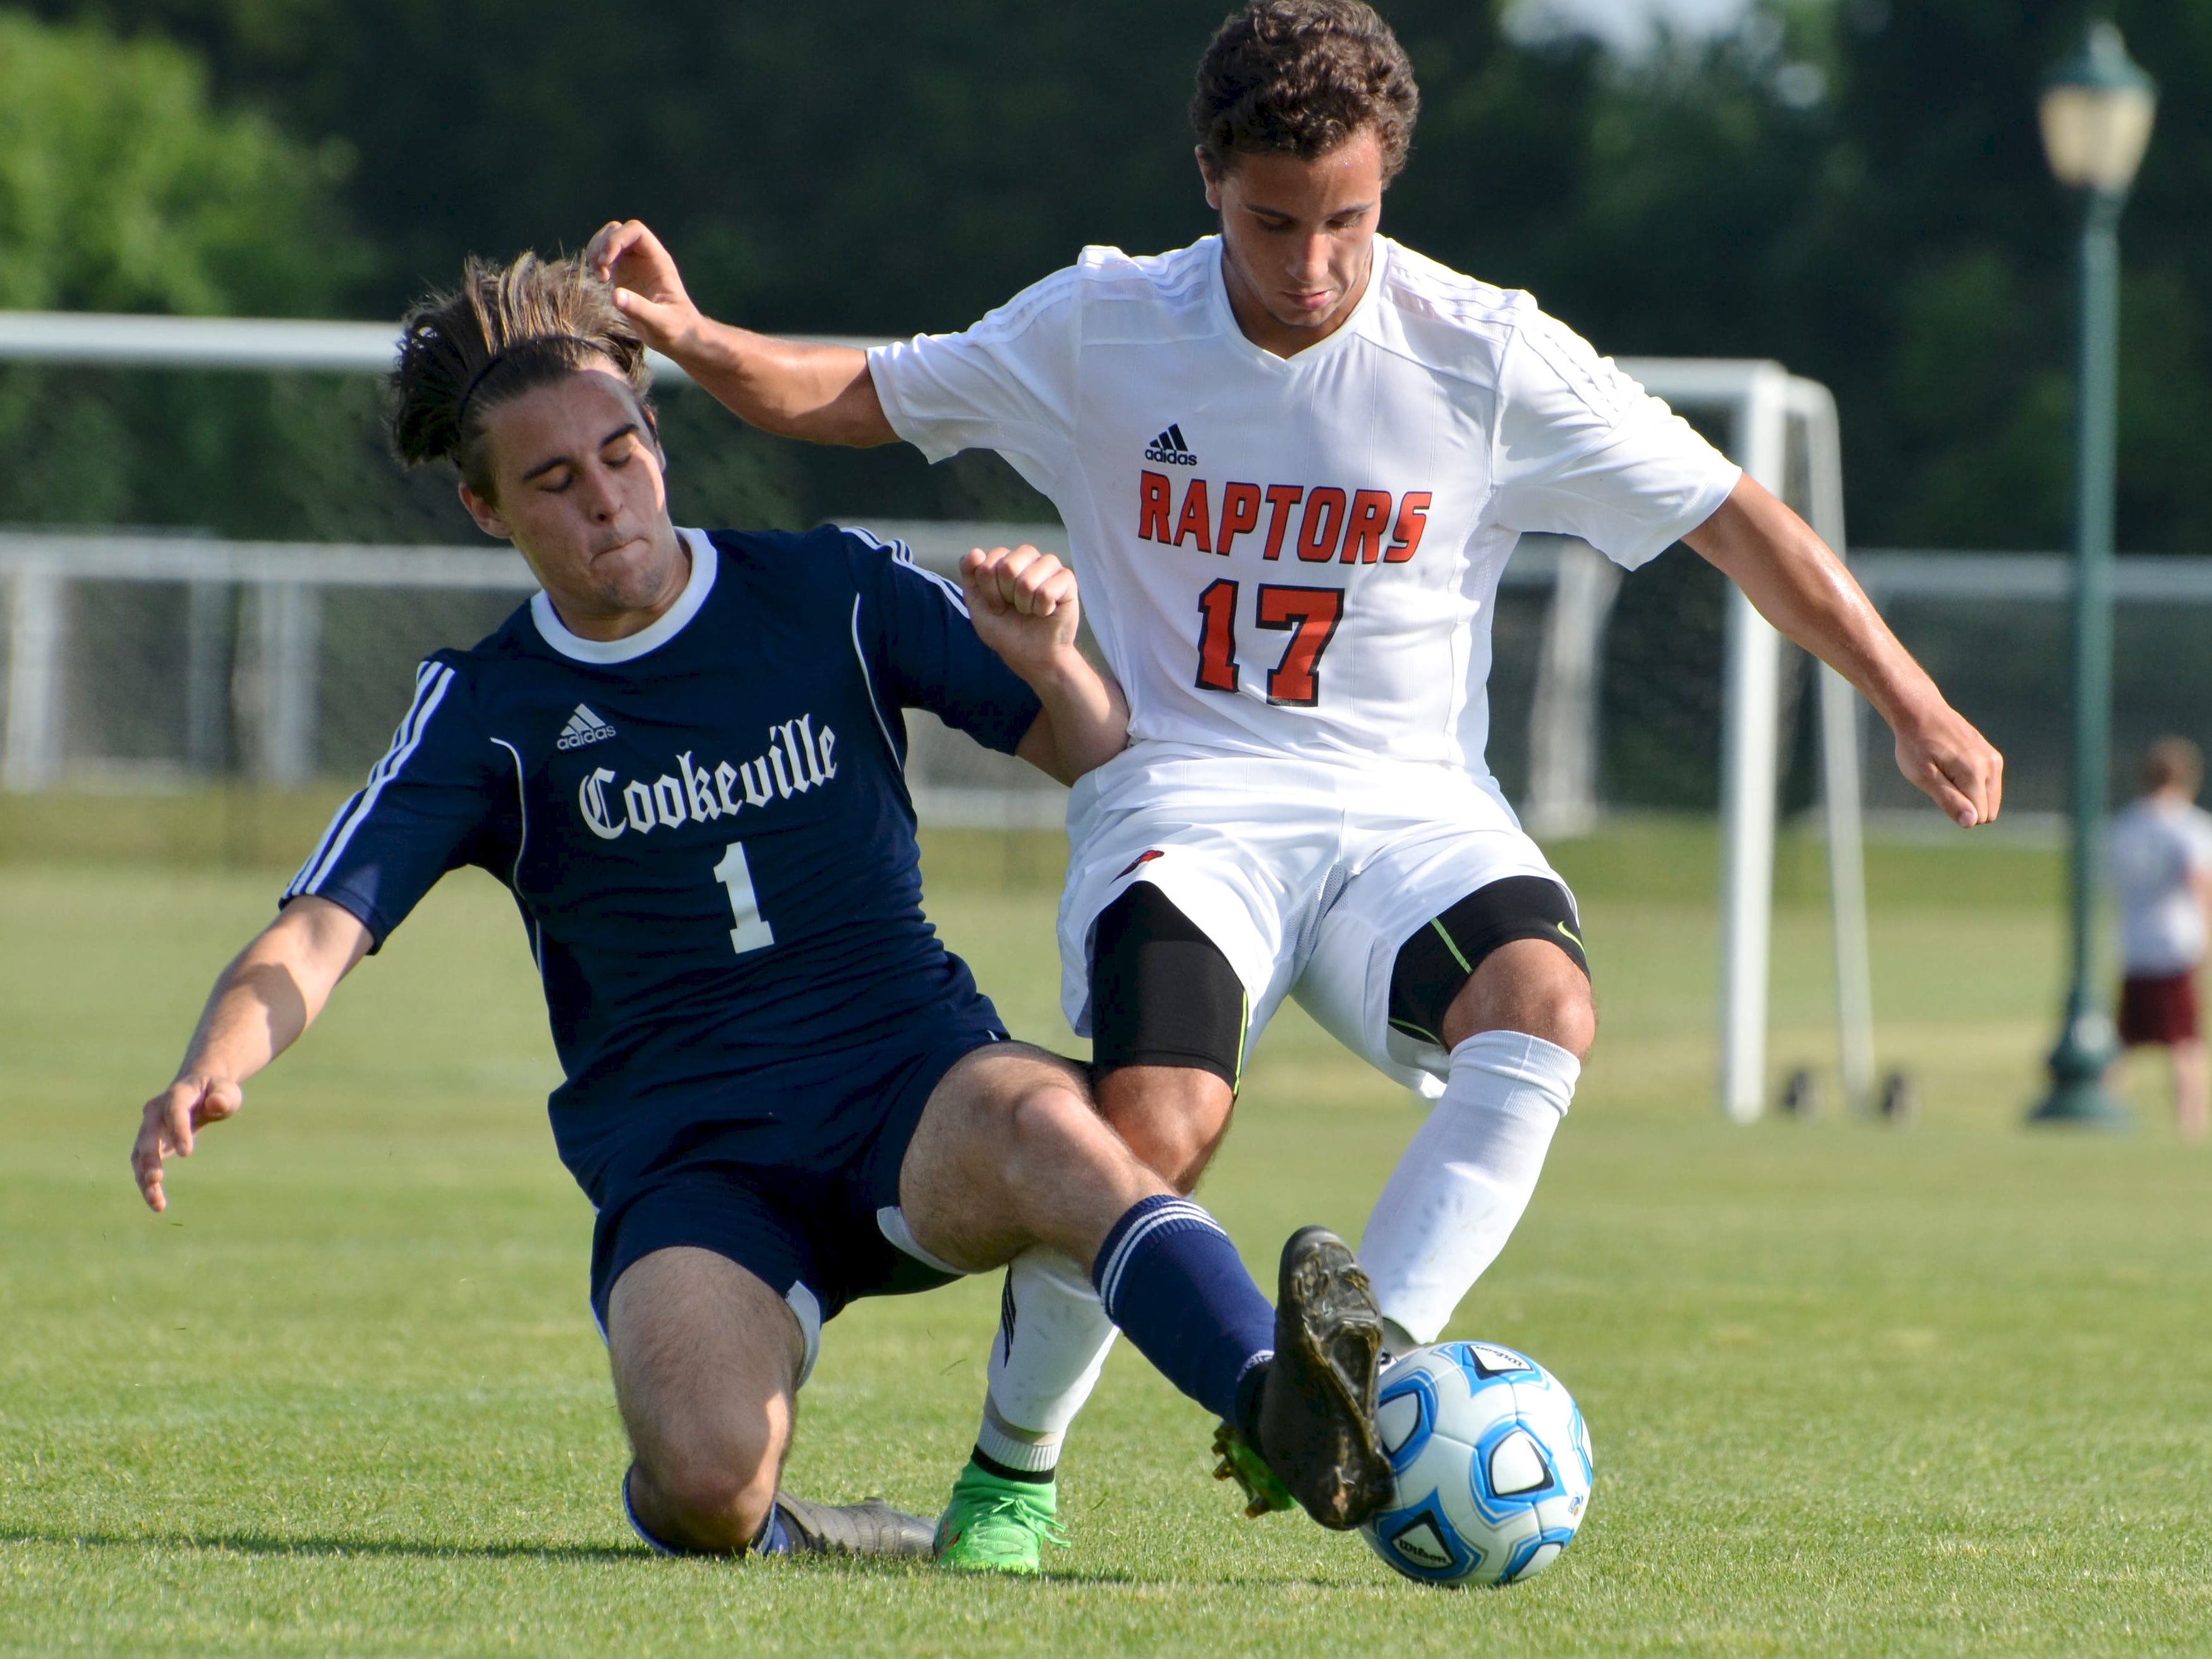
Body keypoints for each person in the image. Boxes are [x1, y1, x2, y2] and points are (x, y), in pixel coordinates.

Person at [584, 0, 2004, 1567]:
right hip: (1187, 806)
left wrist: (1910, 698)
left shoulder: (1485, 349)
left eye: (1349, 220)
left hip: (1410, 815)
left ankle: (1351, 1385)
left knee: (1543, 1009)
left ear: (1388, 185)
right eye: (1276, 221)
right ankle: (1011, 1474)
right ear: (1208, 177)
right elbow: (858, 395)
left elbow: (1738, 514)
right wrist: (701, 343)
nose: (1314, 264)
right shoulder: (1102, 327)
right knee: (1150, 1127)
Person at [128, 251, 1397, 1564]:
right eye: (552, 482)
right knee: (704, 1485)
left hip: (915, 1092)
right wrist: (210, 1065)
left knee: (1063, 1135)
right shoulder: (488, 709)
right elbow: (321, 923)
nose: (603, 500)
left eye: (618, 455)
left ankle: (1279, 1400)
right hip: (694, 1165)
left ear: (657, 442)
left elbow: (1092, 746)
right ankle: (808, 1530)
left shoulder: (826, 590)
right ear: (486, 509)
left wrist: (1047, 658)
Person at [2110, 737, 2212, 1139]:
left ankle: (2108, 1107)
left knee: (2125, 1039)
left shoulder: (2127, 824)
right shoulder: (2188, 827)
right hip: (2177, 943)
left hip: (2135, 940)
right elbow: (2199, 883)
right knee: (2185, 1042)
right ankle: (2191, 1125)